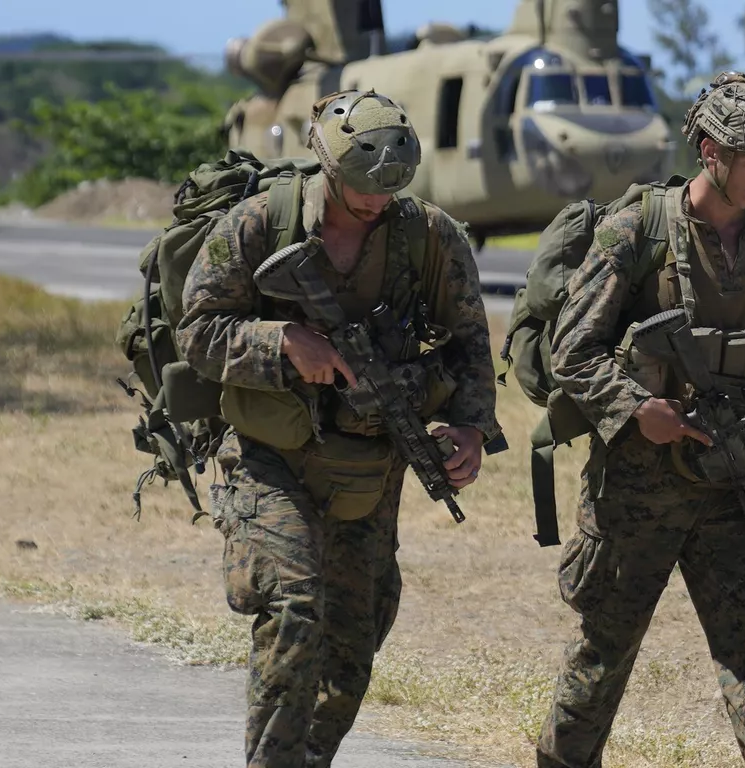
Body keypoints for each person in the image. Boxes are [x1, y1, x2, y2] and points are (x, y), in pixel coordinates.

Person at [175, 89, 501, 768]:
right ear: (325, 162)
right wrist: (282, 343)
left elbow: (470, 340)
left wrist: (469, 429)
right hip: (270, 455)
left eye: (390, 189)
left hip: (368, 463)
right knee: (295, 608)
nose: (375, 202)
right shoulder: (260, 223)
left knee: (352, 651)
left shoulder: (430, 237)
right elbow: (198, 333)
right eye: (361, 188)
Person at [535, 72, 745, 768]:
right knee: (601, 660)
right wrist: (637, 410)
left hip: (736, 489)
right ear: (710, 151)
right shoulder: (638, 228)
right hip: (636, 493)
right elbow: (572, 353)